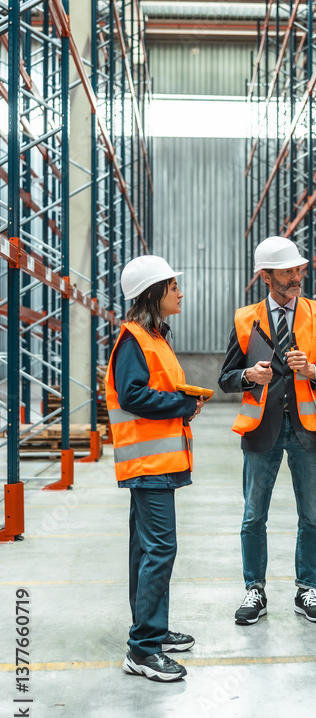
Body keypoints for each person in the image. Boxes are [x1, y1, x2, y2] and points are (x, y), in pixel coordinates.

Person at [219, 236, 316, 625]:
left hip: (308, 430)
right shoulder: (246, 319)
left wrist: (313, 371)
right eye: (288, 272)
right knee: (252, 516)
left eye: (298, 269)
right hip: (261, 431)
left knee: (311, 515)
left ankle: (307, 589)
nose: (297, 277)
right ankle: (254, 589)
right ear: (266, 276)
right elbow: (226, 378)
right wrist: (249, 375)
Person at [105, 255, 205, 682]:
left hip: (155, 461)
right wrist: (182, 405)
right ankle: (143, 649)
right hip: (148, 464)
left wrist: (183, 403)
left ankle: (152, 632)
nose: (180, 293)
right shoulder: (133, 340)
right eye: (173, 286)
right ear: (153, 293)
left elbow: (154, 390)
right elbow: (131, 395)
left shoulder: (154, 336)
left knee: (145, 550)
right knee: (161, 550)